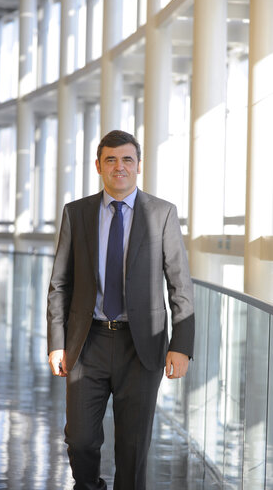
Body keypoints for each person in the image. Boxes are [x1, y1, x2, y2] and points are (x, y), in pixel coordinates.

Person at [47, 130, 195, 490]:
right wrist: (56, 342)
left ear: (139, 166)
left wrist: (182, 345)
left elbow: (180, 284)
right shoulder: (77, 212)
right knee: (80, 439)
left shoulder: (162, 213)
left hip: (141, 346)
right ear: (98, 166)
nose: (119, 166)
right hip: (88, 342)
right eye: (110, 159)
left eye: (127, 159)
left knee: (133, 448)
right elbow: (59, 283)